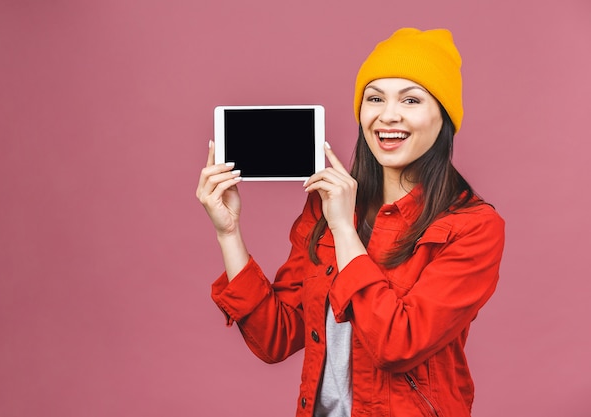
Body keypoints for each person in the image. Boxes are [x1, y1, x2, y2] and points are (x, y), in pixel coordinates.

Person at [196, 27, 505, 417]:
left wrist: (343, 228)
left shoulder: (474, 226)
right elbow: (275, 337)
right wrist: (228, 233)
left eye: (411, 99)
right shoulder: (326, 205)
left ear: (443, 117)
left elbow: (397, 344)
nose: (387, 115)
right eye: (374, 98)